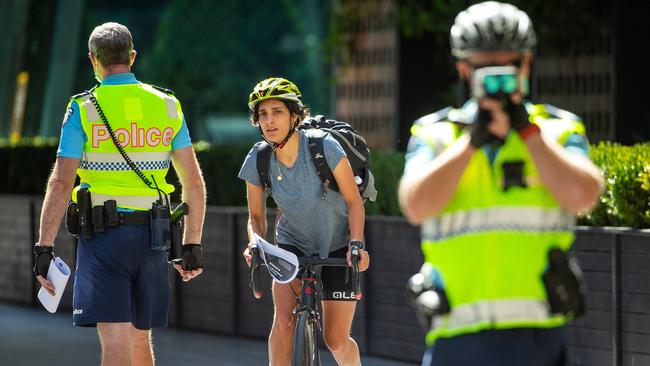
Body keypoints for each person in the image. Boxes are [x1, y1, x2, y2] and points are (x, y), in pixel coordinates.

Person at [398, 2, 603, 365]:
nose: (498, 79)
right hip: (457, 337)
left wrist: (529, 134)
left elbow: (584, 197)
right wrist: (471, 143)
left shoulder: (559, 130)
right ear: (463, 68)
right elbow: (416, 206)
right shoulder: (436, 135)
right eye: (485, 68)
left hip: (539, 336)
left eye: (508, 67)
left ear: (526, 64)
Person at [33, 22, 206, 366]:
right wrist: (192, 245)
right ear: (132, 57)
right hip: (154, 239)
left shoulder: (83, 108)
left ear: (92, 60)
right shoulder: (168, 104)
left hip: (104, 240)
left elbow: (61, 182)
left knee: (114, 336)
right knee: (141, 336)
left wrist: (44, 247)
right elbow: (194, 183)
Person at [239, 77, 371, 365]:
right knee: (283, 322)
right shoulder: (259, 158)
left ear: (295, 116)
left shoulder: (324, 147)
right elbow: (257, 216)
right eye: (263, 114)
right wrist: (255, 243)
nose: (269, 121)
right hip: (291, 245)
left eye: (277, 112)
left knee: (336, 339)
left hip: (338, 245)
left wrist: (356, 244)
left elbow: (353, 202)